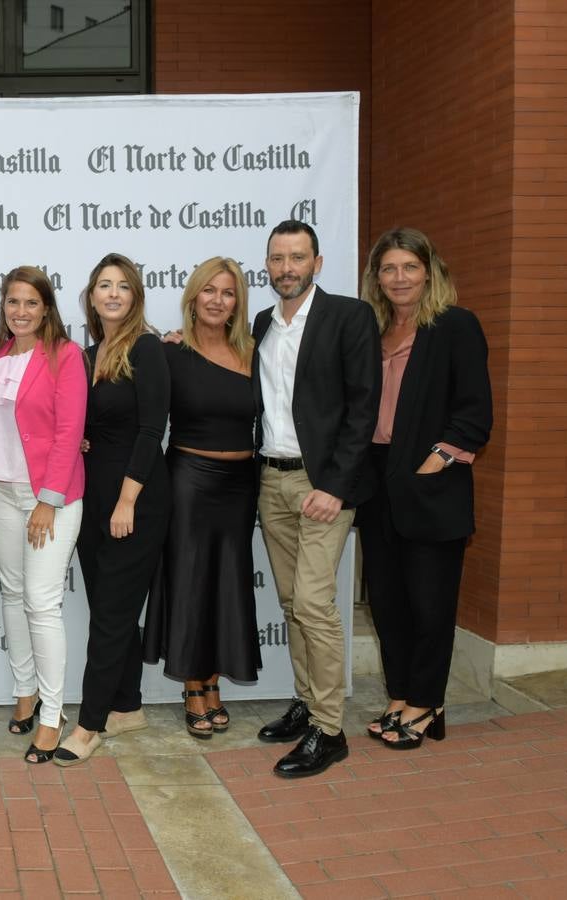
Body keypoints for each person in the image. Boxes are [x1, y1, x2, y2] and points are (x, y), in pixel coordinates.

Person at [253, 220, 381, 778]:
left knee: (312, 603)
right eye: (278, 259)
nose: (287, 268)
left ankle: (329, 731)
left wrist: (335, 485)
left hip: (322, 484)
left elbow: (363, 407)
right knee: (289, 603)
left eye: (297, 258)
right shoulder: (261, 324)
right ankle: (307, 704)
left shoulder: (349, 318)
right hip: (271, 481)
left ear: (317, 263)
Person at [357, 227, 492, 749]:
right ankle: (401, 695)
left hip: (431, 481)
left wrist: (435, 462)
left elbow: (475, 411)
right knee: (387, 599)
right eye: (388, 269)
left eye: (409, 267)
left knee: (430, 602)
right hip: (377, 478)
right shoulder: (373, 330)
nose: (398, 278)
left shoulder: (455, 326)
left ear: (429, 271)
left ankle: (427, 702)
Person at [144, 257, 261, 740]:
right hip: (189, 481)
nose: (217, 300)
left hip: (241, 485)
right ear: (193, 297)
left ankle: (215, 681)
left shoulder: (255, 351)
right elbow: (142, 414)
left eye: (228, 293)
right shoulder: (171, 351)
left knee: (227, 583)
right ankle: (195, 686)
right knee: (191, 581)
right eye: (209, 290)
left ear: (238, 303)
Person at [59, 254, 169, 766]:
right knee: (111, 608)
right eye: (104, 285)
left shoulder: (146, 348)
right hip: (93, 496)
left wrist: (128, 499)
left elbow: (150, 431)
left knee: (110, 616)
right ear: (91, 295)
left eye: (123, 286)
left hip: (135, 499)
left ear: (135, 296)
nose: (113, 293)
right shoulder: (85, 355)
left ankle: (90, 724)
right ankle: (127, 705)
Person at [0, 266, 86, 764]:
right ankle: (25, 692)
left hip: (50, 498)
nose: (20, 311)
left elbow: (69, 432)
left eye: (31, 303)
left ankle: (51, 715)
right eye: (12, 302)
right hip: (0, 493)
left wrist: (48, 499)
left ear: (47, 308)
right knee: (14, 593)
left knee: (42, 603)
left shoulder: (66, 355)